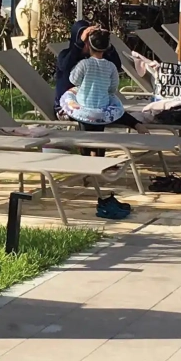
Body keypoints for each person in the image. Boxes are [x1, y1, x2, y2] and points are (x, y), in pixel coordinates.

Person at [56, 30, 133, 220]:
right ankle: (99, 164)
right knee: (99, 136)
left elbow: (73, 80)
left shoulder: (83, 64)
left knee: (86, 137)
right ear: (107, 48)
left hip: (83, 109)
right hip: (101, 108)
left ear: (88, 46)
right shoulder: (111, 67)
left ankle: (87, 169)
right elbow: (113, 88)